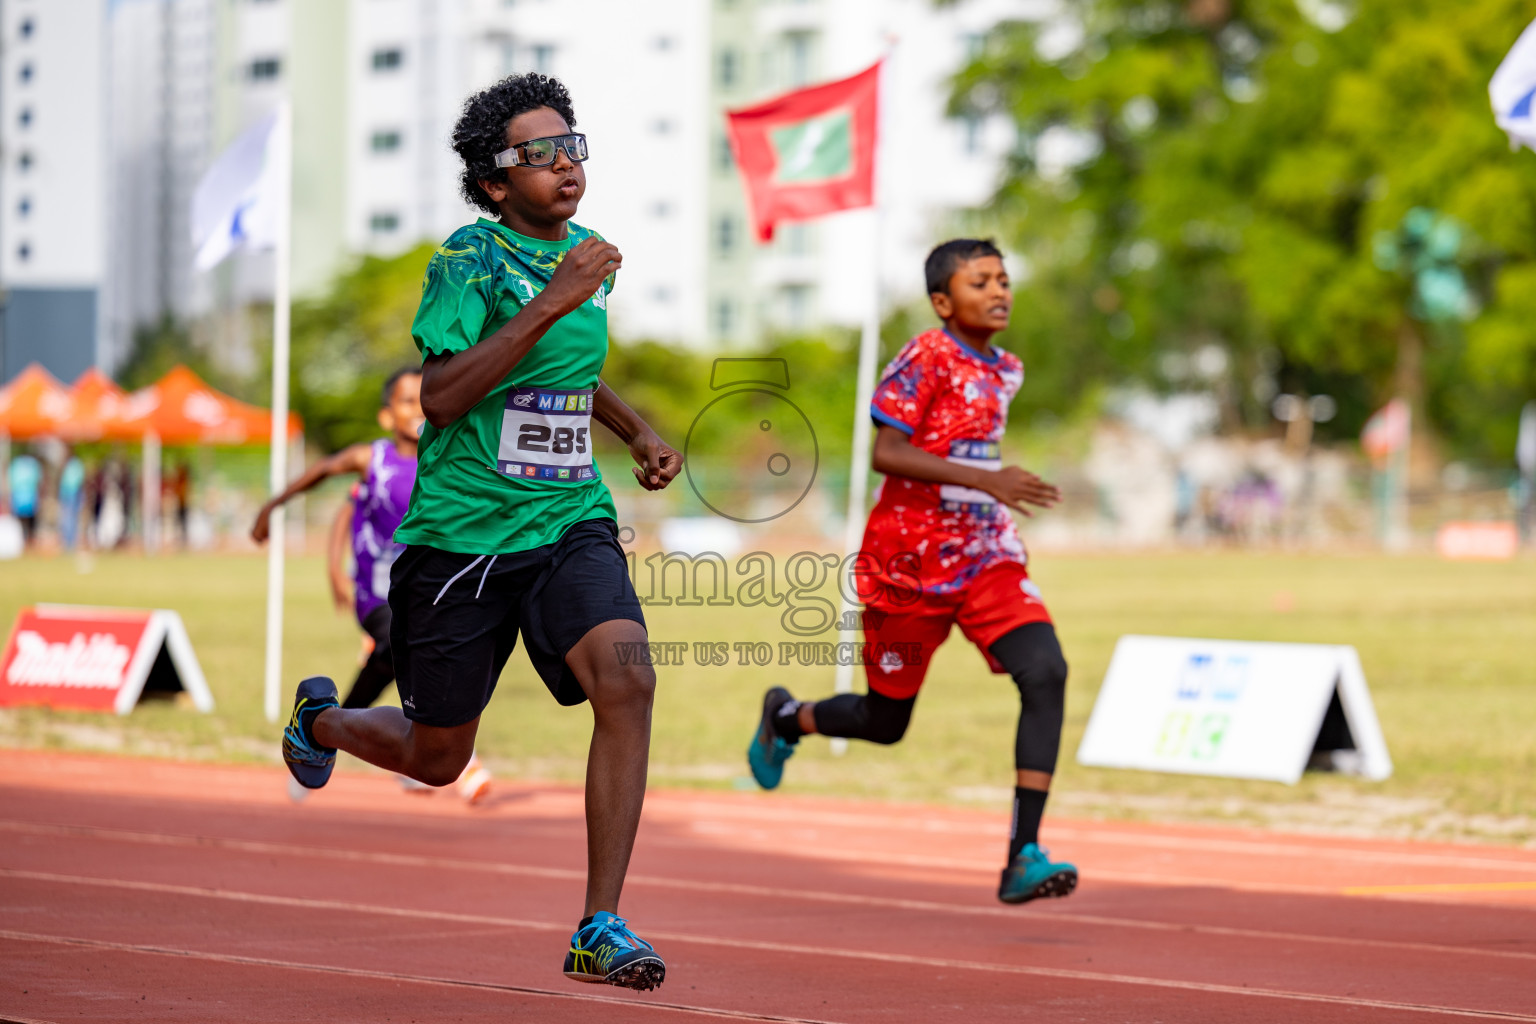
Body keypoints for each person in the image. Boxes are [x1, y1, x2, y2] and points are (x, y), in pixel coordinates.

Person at [277, 73, 681, 991]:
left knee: (630, 677)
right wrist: (553, 296)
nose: (564, 165)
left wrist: (637, 431)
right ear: (496, 183)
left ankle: (599, 924)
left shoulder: (585, 254)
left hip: (569, 516)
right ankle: (325, 720)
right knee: (437, 756)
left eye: (571, 144)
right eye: (537, 154)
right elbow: (444, 394)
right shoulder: (471, 259)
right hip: (463, 538)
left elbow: (570, 371)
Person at [745, 239, 1079, 906]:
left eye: (1004, 279)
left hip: (986, 555)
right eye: (979, 281)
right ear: (941, 302)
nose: (998, 290)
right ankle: (787, 718)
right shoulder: (927, 355)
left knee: (1046, 670)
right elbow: (888, 454)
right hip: (908, 563)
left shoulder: (1006, 369)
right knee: (886, 722)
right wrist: (988, 477)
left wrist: (988, 491)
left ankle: (1023, 855)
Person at [252, 368, 493, 805]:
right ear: (386, 416)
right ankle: (462, 760)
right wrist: (273, 506)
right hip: (376, 593)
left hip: (424, 594)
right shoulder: (374, 460)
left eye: (423, 398)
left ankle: (318, 729)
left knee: (383, 667)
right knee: (412, 654)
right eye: (405, 401)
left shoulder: (444, 459)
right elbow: (328, 477)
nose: (417, 409)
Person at [8, 452, 41, 544]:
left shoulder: (17, 465)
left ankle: (27, 541)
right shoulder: (32, 465)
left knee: (25, 522)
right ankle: (26, 541)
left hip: (24, 498)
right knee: (25, 522)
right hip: (25, 498)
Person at [58, 452, 85, 551]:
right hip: (68, 496)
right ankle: (67, 543)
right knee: (66, 520)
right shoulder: (69, 465)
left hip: (73, 496)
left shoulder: (75, 465)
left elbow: (78, 483)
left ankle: (71, 544)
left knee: (71, 520)